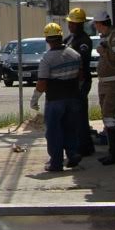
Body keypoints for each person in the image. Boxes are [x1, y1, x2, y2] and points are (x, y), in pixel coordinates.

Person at [30, 22, 83, 172]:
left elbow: (42, 83)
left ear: (47, 40)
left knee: (54, 132)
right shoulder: (75, 54)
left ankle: (56, 163)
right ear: (61, 37)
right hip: (73, 98)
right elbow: (80, 76)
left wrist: (34, 99)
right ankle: (73, 155)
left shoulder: (47, 59)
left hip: (55, 100)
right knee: (70, 128)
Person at [94, 10, 115, 165]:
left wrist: (104, 51)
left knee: (110, 118)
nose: (95, 27)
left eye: (96, 24)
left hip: (114, 84)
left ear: (100, 24)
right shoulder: (107, 37)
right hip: (105, 83)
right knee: (107, 117)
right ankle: (112, 151)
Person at [64, 7, 95, 157]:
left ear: (80, 24)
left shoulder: (84, 41)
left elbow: (81, 61)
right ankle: (78, 144)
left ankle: (85, 146)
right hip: (71, 82)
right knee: (73, 115)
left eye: (73, 23)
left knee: (80, 114)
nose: (70, 25)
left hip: (80, 82)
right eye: (69, 23)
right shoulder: (70, 38)